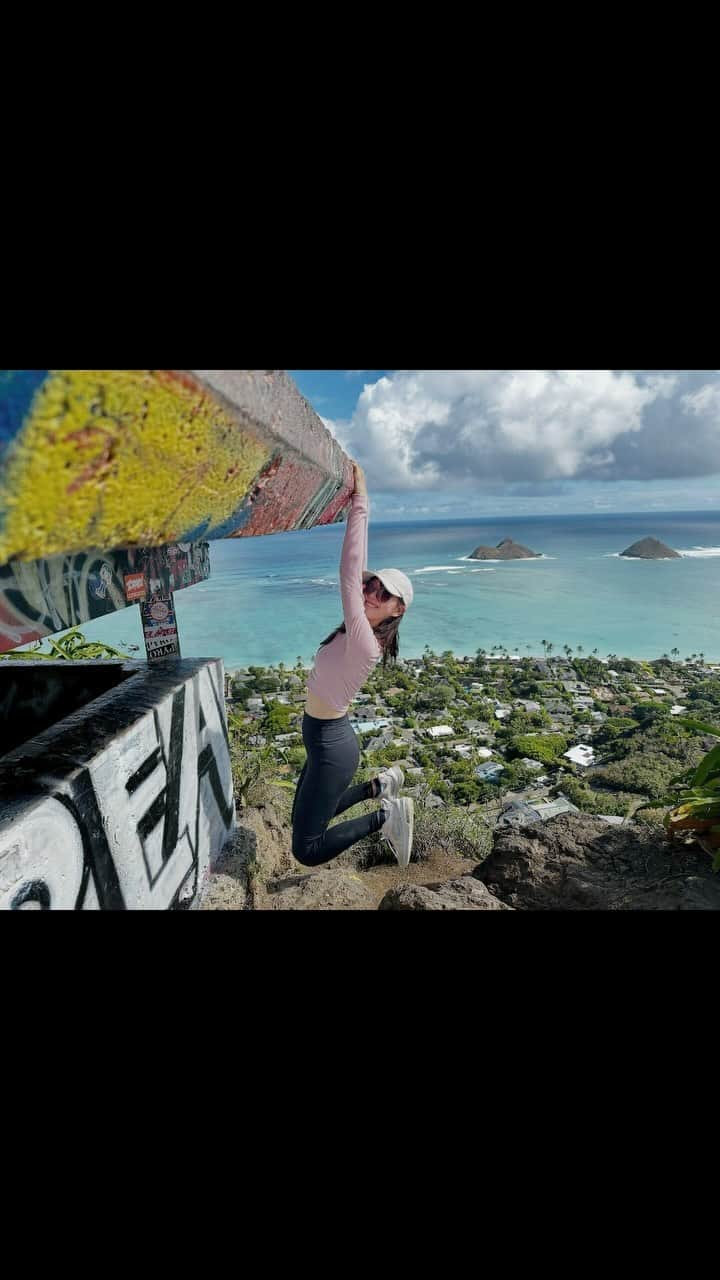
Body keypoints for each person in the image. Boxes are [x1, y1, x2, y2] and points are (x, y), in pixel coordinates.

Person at [291, 461, 415, 868]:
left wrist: (360, 502)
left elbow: (348, 570)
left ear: (398, 609)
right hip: (323, 736)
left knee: (305, 848)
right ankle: (378, 786)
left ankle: (386, 816)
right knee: (304, 814)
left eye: (385, 593)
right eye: (372, 584)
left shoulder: (365, 641)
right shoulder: (352, 630)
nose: (373, 592)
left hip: (332, 745)